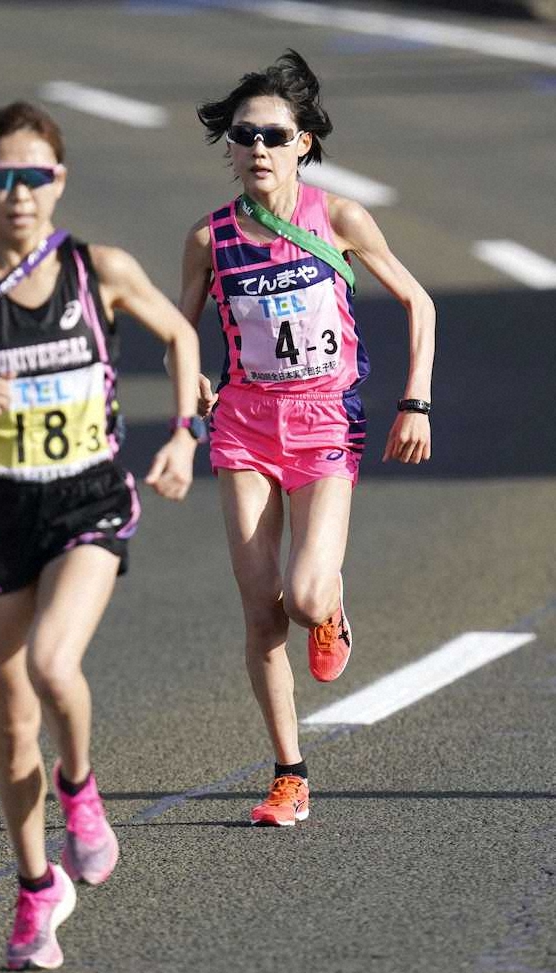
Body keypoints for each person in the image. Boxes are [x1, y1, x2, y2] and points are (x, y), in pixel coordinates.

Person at [0, 101, 203, 970]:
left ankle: (80, 789)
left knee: (52, 665)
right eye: (1, 179)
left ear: (58, 182)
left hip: (88, 504)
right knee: (10, 721)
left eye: (35, 176)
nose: (19, 193)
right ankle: (35, 891)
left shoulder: (97, 269)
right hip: (0, 514)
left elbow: (180, 335)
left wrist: (183, 434)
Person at [177, 50, 434, 828]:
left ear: (304, 144)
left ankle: (331, 606)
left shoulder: (340, 218)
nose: (257, 147)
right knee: (261, 613)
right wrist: (188, 381)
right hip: (246, 427)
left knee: (305, 595)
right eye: (242, 134)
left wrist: (414, 402)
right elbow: (175, 329)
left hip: (326, 421)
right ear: (228, 146)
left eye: (274, 135)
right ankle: (289, 775)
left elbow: (419, 303)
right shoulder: (210, 237)